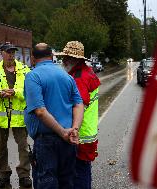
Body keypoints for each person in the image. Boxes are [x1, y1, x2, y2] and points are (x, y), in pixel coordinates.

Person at [24, 43, 84, 189]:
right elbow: (79, 104)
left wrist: (63, 132)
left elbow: (40, 111)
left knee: (46, 182)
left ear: (32, 58)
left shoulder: (33, 76)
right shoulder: (66, 76)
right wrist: (74, 129)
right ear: (51, 56)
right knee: (66, 181)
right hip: (68, 140)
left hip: (47, 142)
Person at [0, 42, 32, 188]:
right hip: (0, 118)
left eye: (13, 52)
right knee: (1, 149)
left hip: (19, 117)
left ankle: (24, 175)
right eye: (8, 52)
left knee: (23, 147)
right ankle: (3, 175)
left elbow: (31, 89)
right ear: (1, 53)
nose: (11, 54)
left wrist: (16, 92)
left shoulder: (24, 69)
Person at [57, 41, 101, 189]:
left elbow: (78, 106)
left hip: (79, 135)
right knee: (82, 172)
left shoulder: (79, 78)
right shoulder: (86, 72)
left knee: (78, 175)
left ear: (74, 59)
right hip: (86, 133)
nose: (63, 61)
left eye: (66, 57)